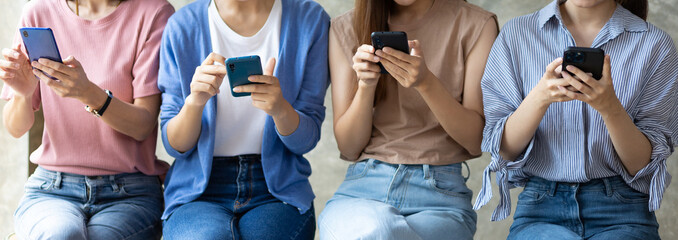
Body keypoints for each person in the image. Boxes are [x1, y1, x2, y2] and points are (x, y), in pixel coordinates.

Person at [475, 0, 677, 239]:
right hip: (541, 209)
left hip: (624, 211)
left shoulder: (655, 44)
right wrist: (540, 98)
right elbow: (504, 150)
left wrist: (610, 108)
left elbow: (641, 164)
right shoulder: (517, 34)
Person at [318, 0, 498, 239]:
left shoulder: (477, 25)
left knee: (378, 233)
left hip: (440, 198)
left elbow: (476, 141)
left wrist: (425, 83)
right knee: (377, 230)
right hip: (362, 191)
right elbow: (349, 147)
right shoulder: (345, 27)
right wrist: (366, 85)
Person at [0, 0, 174, 239]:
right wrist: (23, 93)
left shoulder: (153, 13)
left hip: (129, 191)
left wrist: (88, 93)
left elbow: (142, 126)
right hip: (52, 188)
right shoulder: (39, 11)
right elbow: (15, 128)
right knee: (61, 235)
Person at [157, 0, 329, 239]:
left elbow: (305, 141)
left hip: (277, 190)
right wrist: (194, 103)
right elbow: (175, 146)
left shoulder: (309, 19)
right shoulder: (182, 25)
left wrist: (280, 109)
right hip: (198, 191)